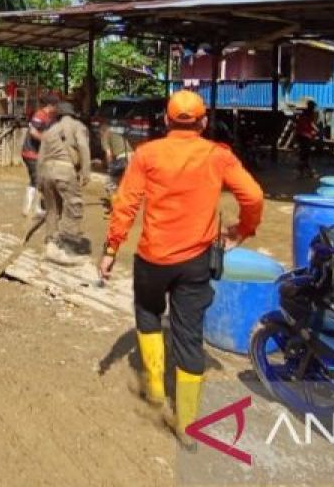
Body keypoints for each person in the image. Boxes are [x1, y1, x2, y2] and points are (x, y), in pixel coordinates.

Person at [98, 90, 263, 440]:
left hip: (153, 257)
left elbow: (125, 203)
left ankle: (156, 389)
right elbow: (254, 196)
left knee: (147, 312)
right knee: (189, 335)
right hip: (195, 263)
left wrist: (111, 248)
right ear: (204, 122)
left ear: (166, 121)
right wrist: (243, 229)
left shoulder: (147, 154)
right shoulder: (219, 156)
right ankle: (187, 422)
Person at [36, 101, 92, 266]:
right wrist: (86, 171)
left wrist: (39, 181)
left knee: (52, 209)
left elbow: (40, 158)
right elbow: (83, 147)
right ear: (73, 114)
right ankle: (66, 248)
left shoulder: (49, 130)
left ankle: (51, 246)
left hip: (46, 171)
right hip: (65, 170)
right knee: (73, 207)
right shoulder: (77, 126)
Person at [21, 94, 58, 217]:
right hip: (31, 153)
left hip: (37, 154)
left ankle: (28, 208)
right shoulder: (40, 115)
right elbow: (33, 132)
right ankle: (33, 209)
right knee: (38, 180)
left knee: (35, 180)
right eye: (56, 106)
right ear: (51, 106)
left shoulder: (50, 118)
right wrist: (46, 140)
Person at [294, 99, 318, 178]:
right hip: (305, 136)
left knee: (304, 154)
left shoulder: (304, 114)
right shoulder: (309, 114)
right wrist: (316, 130)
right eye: (313, 107)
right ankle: (305, 172)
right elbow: (310, 124)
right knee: (305, 155)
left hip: (301, 135)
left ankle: (304, 172)